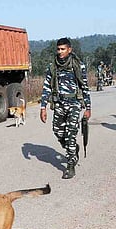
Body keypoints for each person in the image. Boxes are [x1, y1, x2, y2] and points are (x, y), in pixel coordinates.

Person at [39, 37, 91, 179]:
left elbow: (84, 87)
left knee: (71, 134)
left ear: (69, 50)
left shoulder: (78, 65)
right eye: (58, 49)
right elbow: (46, 87)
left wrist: (88, 108)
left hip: (74, 104)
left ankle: (70, 164)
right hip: (59, 104)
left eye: (63, 49)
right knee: (58, 131)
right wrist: (43, 107)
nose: (60, 52)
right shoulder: (53, 66)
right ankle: (73, 149)